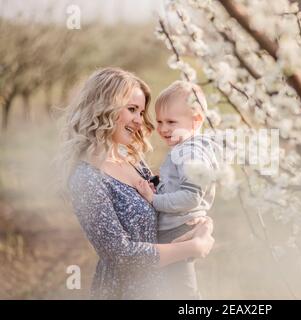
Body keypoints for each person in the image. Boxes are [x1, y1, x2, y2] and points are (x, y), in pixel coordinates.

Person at [58, 68, 214, 299]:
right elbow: (121, 255)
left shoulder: (132, 159)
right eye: (132, 109)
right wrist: (193, 247)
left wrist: (202, 223)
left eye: (141, 112)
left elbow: (172, 199)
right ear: (104, 108)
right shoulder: (87, 178)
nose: (139, 121)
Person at [135, 80, 220, 299]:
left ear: (196, 120)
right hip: (178, 223)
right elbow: (181, 185)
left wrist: (153, 199)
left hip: (177, 228)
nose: (163, 129)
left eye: (171, 122)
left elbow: (191, 196)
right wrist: (160, 183)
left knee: (181, 290)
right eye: (160, 121)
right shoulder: (188, 148)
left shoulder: (191, 153)